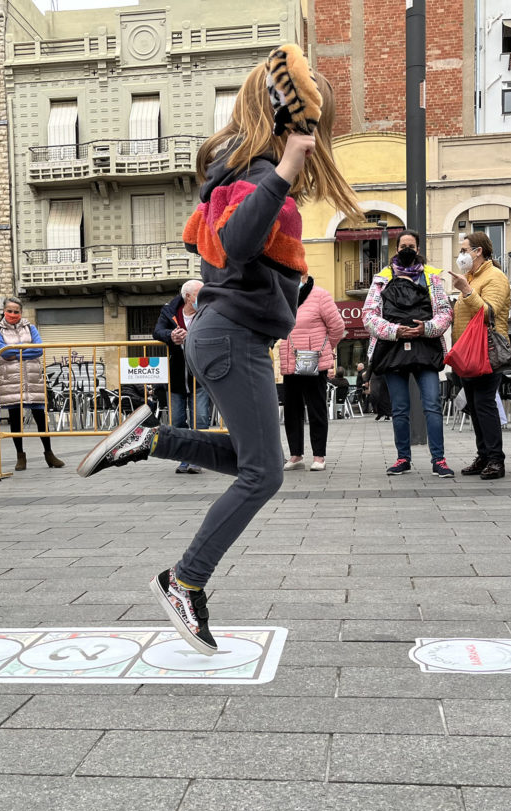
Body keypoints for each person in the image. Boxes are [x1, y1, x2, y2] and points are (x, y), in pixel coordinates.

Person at [76, 45, 360, 655]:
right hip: (231, 337)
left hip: (227, 333)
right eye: (318, 124)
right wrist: (286, 165)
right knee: (263, 474)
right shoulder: (260, 170)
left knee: (253, 460)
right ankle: (184, 580)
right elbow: (234, 242)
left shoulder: (234, 168)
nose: (320, 139)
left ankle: (149, 440)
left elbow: (225, 255)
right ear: (292, 120)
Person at [364, 229, 454, 477]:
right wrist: (396, 331)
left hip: (425, 348)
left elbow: (446, 313)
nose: (407, 250)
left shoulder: (433, 278)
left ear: (418, 249)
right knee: (400, 408)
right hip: (393, 350)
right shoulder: (380, 279)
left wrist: (426, 328)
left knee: (432, 405)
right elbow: (369, 317)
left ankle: (439, 460)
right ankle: (403, 458)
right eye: (403, 245)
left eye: (411, 246)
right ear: (396, 249)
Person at [449, 231, 511, 479]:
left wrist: (466, 291)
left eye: (465, 250)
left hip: (487, 350)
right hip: (468, 352)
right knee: (475, 406)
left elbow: (488, 313)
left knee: (485, 405)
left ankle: (496, 459)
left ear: (479, 251)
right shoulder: (472, 277)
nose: (461, 255)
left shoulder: (495, 277)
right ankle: (484, 455)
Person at [0, 298, 65, 471]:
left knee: (41, 417)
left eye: (16, 311)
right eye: (10, 310)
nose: (13, 314)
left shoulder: (30, 328)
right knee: (15, 419)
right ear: (4, 311)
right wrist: (24, 350)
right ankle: (20, 456)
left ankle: (49, 453)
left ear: (21, 313)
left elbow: (38, 349)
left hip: (33, 378)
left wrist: (14, 351)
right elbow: (3, 352)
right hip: (11, 380)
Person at [279, 279, 344, 471]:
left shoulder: (320, 295)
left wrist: (324, 349)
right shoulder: (282, 295)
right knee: (291, 410)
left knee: (316, 409)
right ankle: (296, 455)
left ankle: (319, 456)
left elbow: (337, 327)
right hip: (290, 362)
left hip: (313, 362)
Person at [154, 279, 212, 473]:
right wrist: (171, 336)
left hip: (201, 376)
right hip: (176, 377)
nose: (204, 297)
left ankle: (200, 458)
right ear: (188, 297)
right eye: (199, 294)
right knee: (177, 421)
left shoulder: (208, 311)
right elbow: (157, 331)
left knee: (201, 419)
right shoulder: (169, 311)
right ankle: (185, 458)